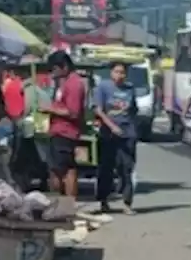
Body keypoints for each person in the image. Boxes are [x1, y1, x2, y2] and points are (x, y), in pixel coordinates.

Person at [93, 61, 139, 215]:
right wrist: (112, 126)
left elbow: (134, 109)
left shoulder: (130, 88)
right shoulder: (103, 87)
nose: (119, 75)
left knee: (127, 168)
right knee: (106, 167)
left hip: (127, 133)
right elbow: (99, 110)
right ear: (111, 73)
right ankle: (103, 201)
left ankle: (127, 202)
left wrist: (129, 123)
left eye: (122, 72)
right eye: (116, 72)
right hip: (108, 132)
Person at [45, 50, 87, 198]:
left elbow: (73, 112)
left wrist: (51, 109)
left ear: (64, 67)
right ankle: (63, 203)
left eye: (54, 69)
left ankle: (67, 204)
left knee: (65, 170)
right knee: (58, 168)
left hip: (66, 132)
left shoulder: (74, 84)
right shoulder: (64, 83)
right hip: (59, 131)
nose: (52, 73)